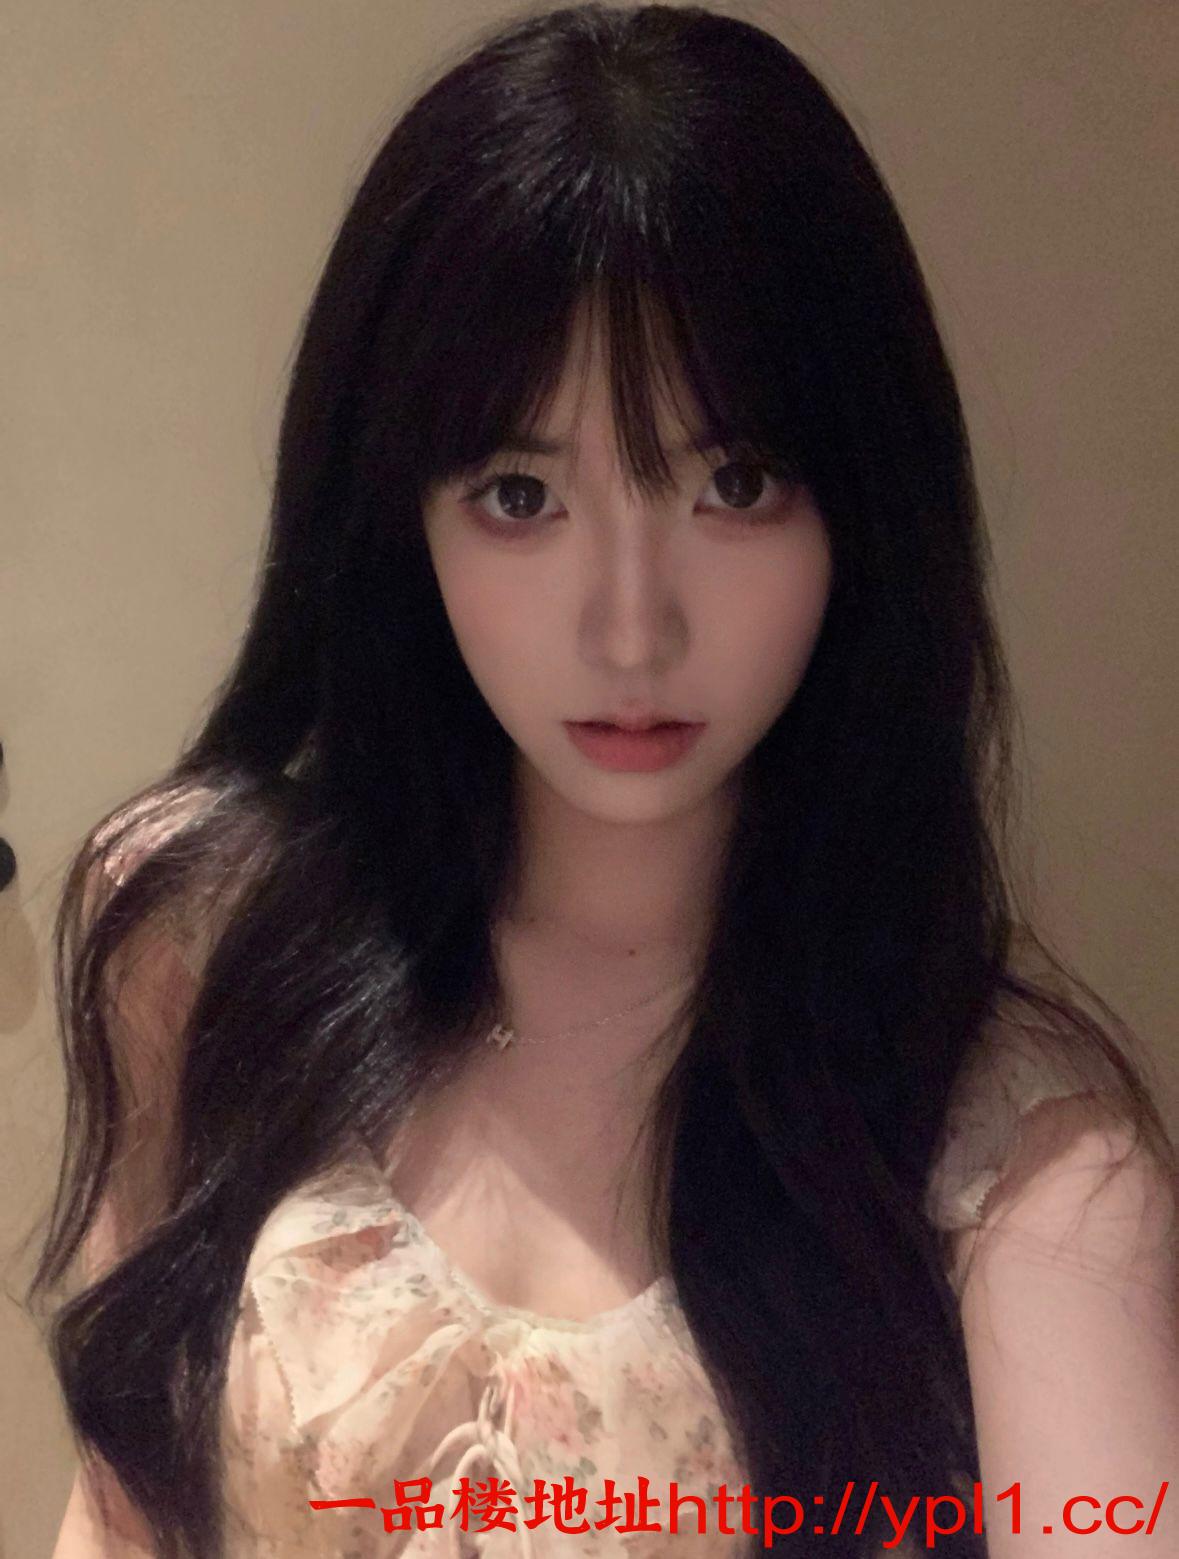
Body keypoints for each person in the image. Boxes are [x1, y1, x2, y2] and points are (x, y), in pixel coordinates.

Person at [31, 4, 1178, 1556]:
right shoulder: (204, 938)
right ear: (399, 514)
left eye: (733, 484)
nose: (630, 630)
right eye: (521, 494)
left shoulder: (1012, 1153)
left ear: (863, 509)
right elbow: (118, 1514)